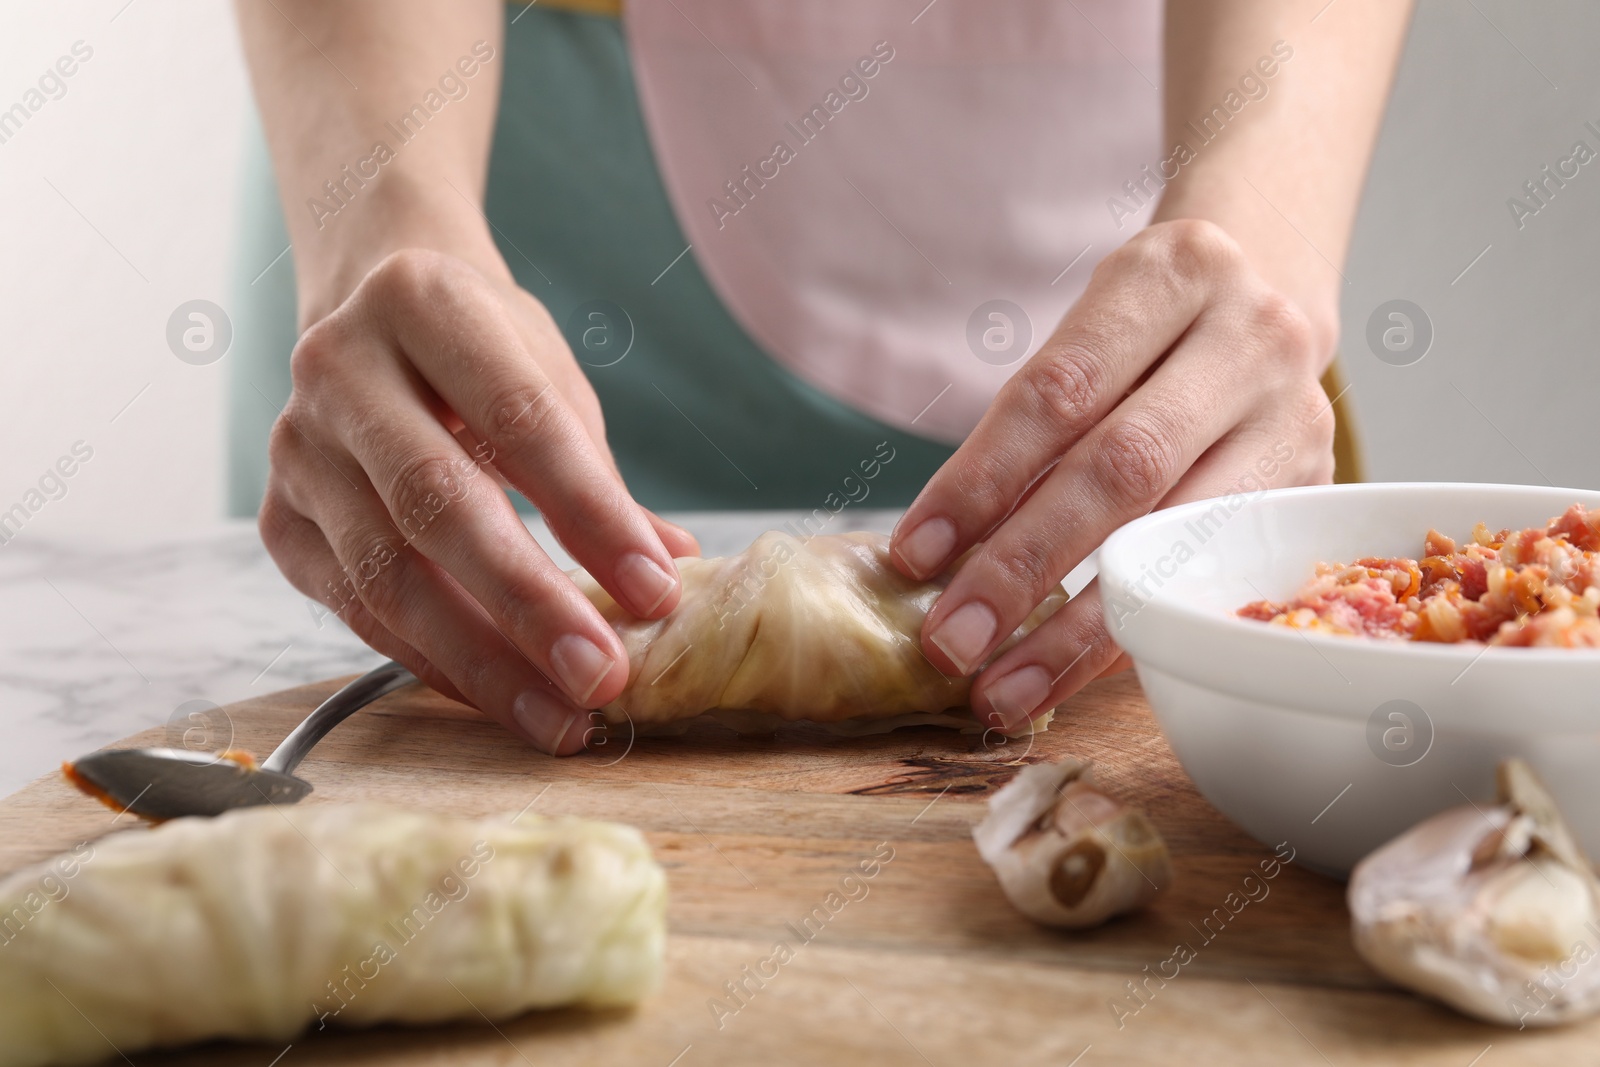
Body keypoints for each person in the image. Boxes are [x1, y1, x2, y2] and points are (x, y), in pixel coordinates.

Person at [231, 0, 1412, 754]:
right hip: (525, 187)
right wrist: (382, 217)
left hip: (1181, 206)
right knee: (446, 630)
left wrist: (1262, 224)